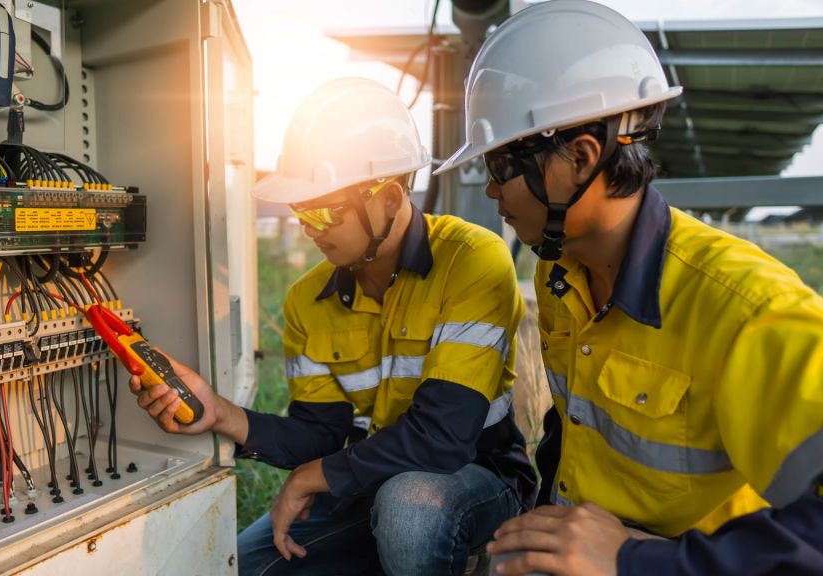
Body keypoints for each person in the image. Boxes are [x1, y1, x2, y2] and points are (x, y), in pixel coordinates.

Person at [434, 1, 823, 574]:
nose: (491, 192)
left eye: (498, 166)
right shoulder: (560, 270)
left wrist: (635, 561)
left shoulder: (748, 311)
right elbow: (571, 431)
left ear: (581, 158)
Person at [130, 77, 536, 575]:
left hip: (474, 476)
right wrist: (220, 413)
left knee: (409, 510)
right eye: (301, 210)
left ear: (388, 199)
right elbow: (320, 436)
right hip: (368, 480)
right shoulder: (308, 300)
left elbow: (442, 437)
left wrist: (307, 479)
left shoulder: (473, 260)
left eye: (325, 210)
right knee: (248, 566)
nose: (310, 228)